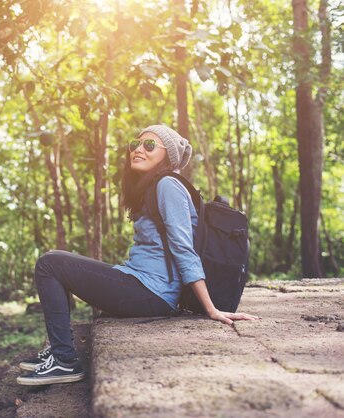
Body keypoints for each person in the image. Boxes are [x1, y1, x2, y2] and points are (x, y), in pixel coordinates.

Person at [16, 124, 259, 386]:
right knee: (55, 263)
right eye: (135, 144)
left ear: (167, 156)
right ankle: (59, 352)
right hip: (139, 282)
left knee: (49, 263)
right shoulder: (152, 187)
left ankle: (64, 361)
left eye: (150, 145)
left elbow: (183, 247)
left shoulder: (168, 185)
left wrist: (211, 309)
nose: (138, 150)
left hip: (152, 293)